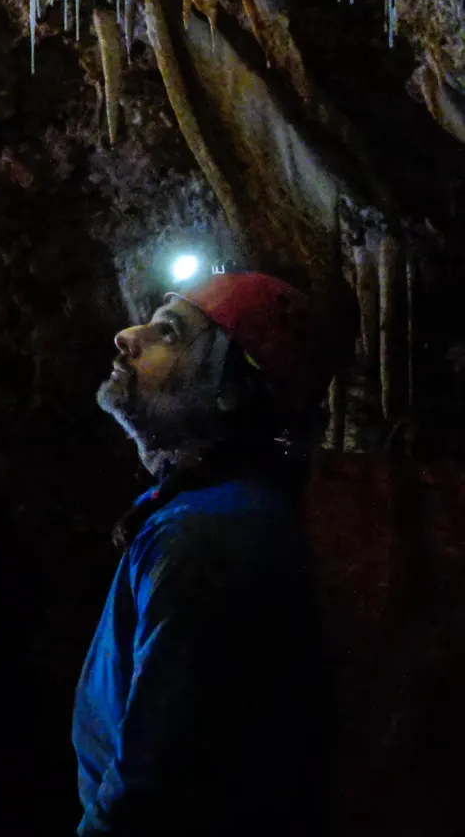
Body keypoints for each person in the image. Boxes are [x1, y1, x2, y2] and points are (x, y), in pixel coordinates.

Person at [74, 270, 347, 836]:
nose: (128, 336)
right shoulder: (212, 510)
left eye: (168, 333)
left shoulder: (205, 539)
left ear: (229, 388)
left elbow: (152, 792)